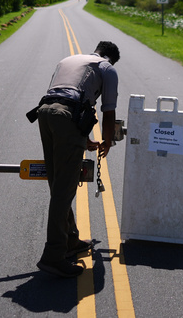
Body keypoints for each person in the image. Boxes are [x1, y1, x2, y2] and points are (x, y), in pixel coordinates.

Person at [35, 41, 120, 278]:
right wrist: (107, 141)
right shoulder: (107, 68)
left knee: (57, 182)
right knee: (64, 189)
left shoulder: (68, 60)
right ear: (111, 58)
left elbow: (62, 99)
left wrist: (82, 141)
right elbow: (109, 110)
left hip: (45, 113)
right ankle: (53, 255)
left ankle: (70, 240)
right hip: (67, 118)